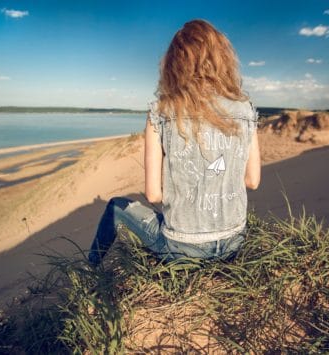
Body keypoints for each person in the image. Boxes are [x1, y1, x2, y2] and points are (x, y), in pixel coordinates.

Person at [88, 19, 261, 265]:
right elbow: (252, 181)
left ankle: (91, 268)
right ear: (223, 59)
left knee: (116, 206)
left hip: (181, 248)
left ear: (173, 64)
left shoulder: (160, 112)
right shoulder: (245, 110)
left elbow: (154, 194)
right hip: (234, 242)